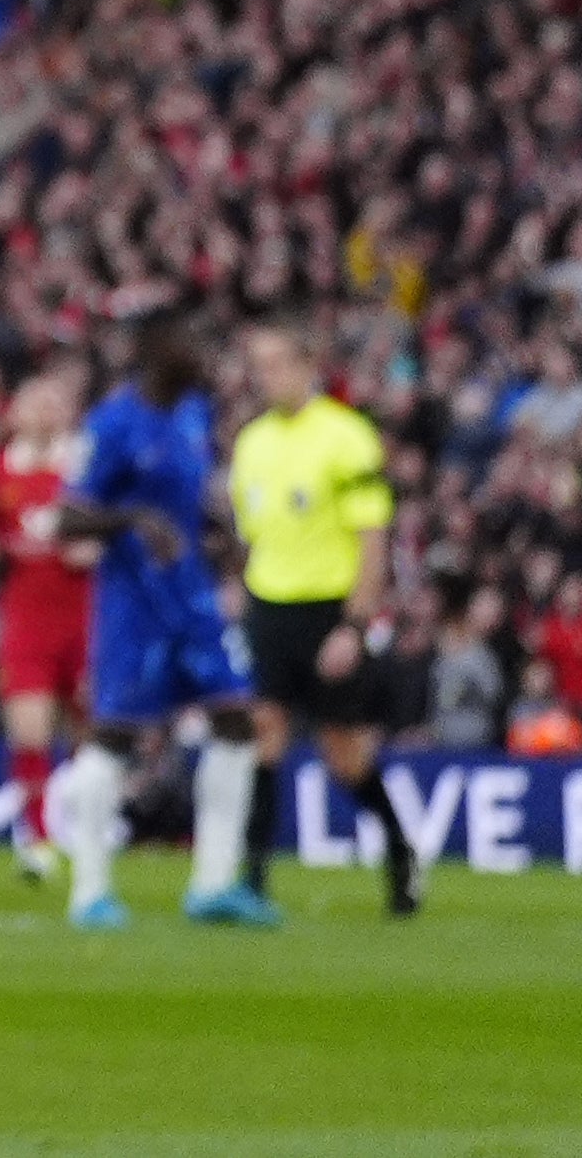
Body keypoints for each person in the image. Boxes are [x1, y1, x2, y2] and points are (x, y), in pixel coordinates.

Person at [49, 303, 270, 933]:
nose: (203, 351)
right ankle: (89, 892)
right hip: (133, 604)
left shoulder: (195, 412)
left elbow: (188, 497)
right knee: (116, 736)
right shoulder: (112, 422)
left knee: (235, 721)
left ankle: (213, 884)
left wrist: (218, 531)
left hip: (193, 597)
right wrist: (134, 520)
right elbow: (68, 516)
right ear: (154, 345)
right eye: (189, 338)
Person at [225, 322, 416, 917]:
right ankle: (252, 880)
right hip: (270, 607)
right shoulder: (251, 442)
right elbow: (252, 533)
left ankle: (401, 852)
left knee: (343, 752)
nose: (267, 376)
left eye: (278, 362)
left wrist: (354, 626)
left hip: (328, 609)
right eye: (258, 365)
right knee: (265, 736)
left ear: (308, 363)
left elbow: (373, 539)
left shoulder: (347, 437)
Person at [0, 363, 96, 878]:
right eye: (36, 402)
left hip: (84, 614)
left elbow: (114, 528)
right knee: (29, 730)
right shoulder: (0, 469)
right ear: (17, 412)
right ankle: (37, 838)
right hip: (26, 617)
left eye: (54, 403)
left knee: (89, 733)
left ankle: (90, 830)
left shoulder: (85, 465)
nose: (45, 412)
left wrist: (94, 547)